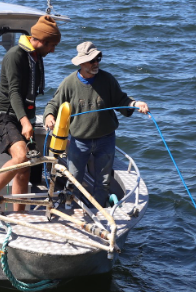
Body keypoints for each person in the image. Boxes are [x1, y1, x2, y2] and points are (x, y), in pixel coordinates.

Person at [44, 41, 149, 207]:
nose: (96, 63)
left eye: (98, 59)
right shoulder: (69, 83)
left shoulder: (107, 79)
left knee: (103, 182)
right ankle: (73, 207)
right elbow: (53, 104)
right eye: (92, 60)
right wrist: (49, 116)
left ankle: (98, 211)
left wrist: (135, 105)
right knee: (74, 179)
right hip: (78, 142)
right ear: (81, 63)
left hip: (106, 140)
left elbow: (122, 100)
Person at [0, 15, 62, 211]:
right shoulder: (15, 56)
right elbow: (13, 92)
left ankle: (19, 215)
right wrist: (25, 122)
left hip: (21, 116)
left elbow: (30, 94)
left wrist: (30, 118)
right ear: (42, 41)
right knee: (20, 156)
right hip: (3, 114)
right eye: (52, 45)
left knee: (25, 168)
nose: (53, 50)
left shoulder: (35, 57)